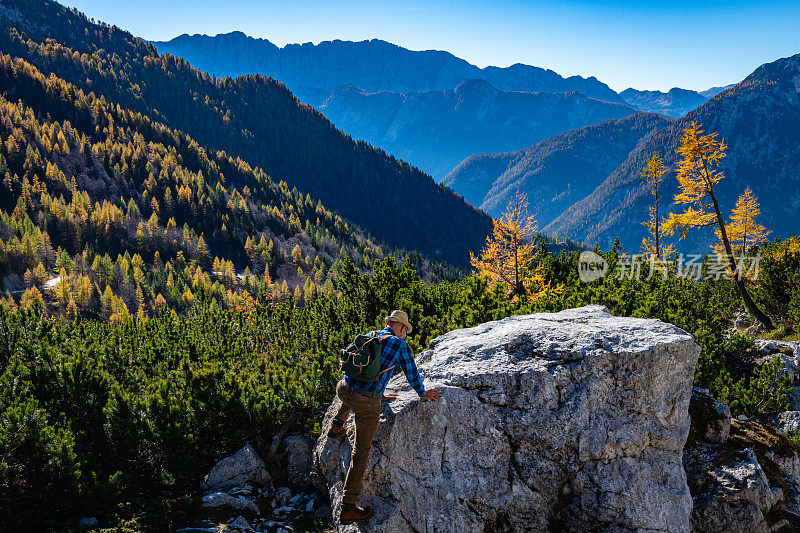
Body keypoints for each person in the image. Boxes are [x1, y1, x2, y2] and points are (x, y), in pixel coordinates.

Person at [327, 310, 440, 524]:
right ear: (403, 328)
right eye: (405, 330)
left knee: (354, 392)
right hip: (365, 401)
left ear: (388, 323)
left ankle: (336, 425)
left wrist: (378, 393)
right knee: (360, 452)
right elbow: (411, 372)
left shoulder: (373, 335)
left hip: (343, 388)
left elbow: (362, 373)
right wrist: (423, 393)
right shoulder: (400, 344)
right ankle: (348, 507)